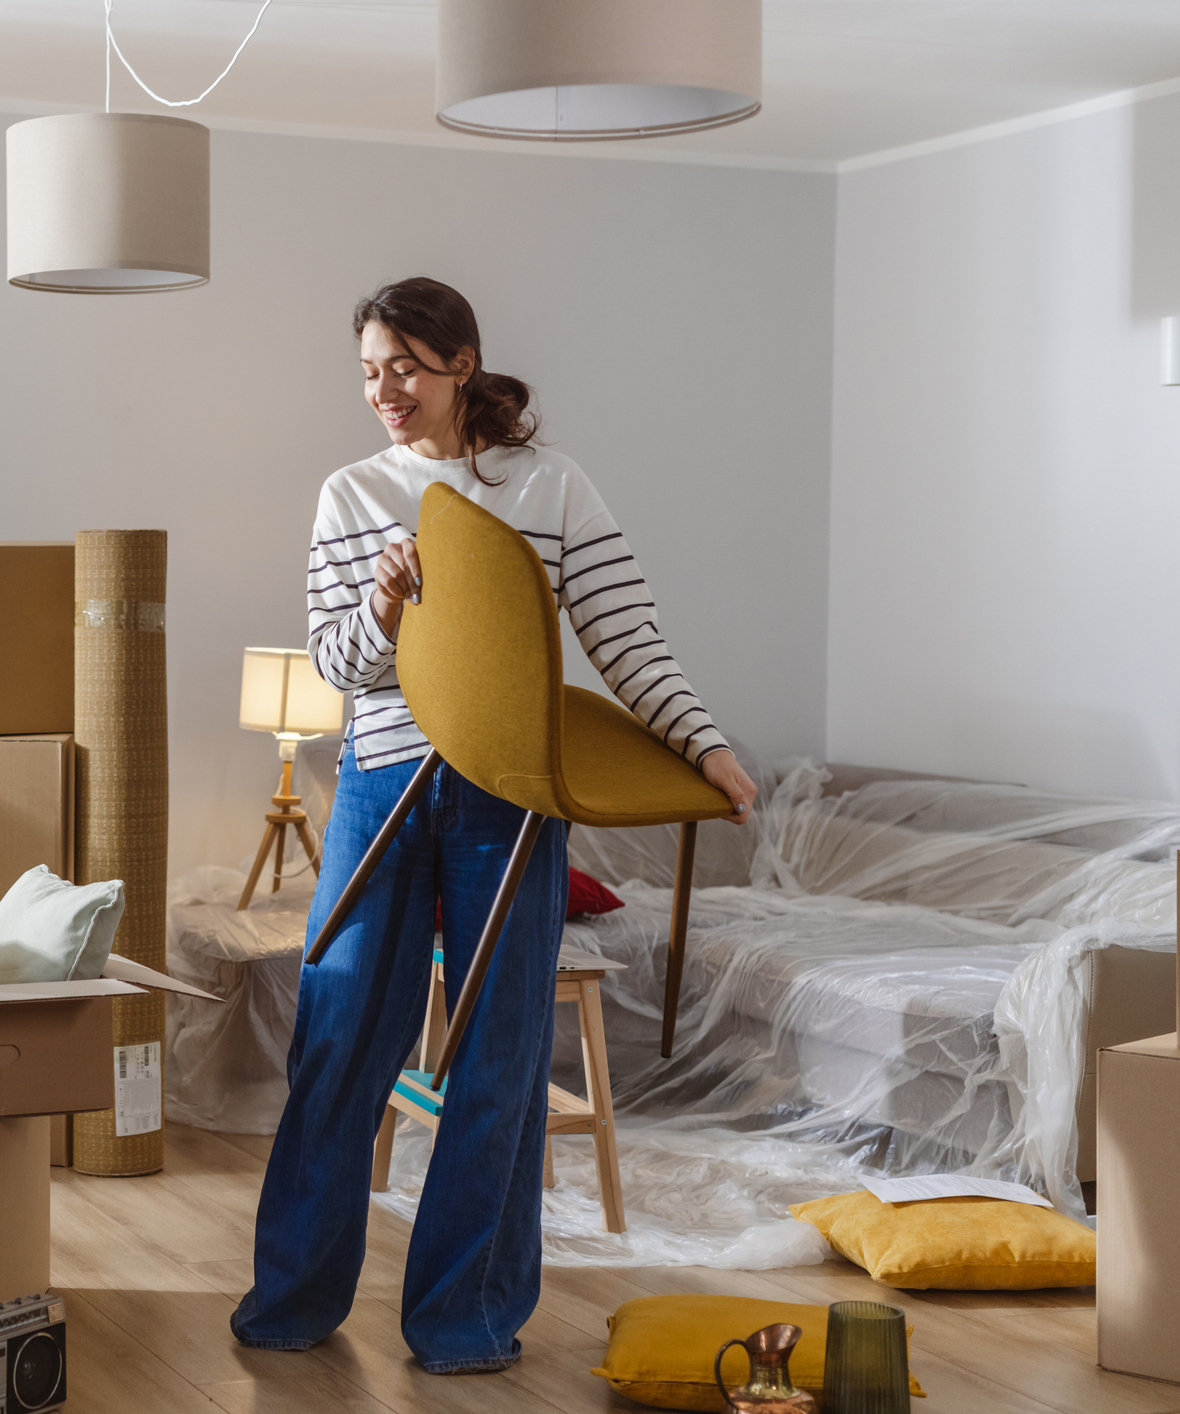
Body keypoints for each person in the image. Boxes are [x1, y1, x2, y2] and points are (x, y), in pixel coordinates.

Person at [229, 276, 757, 1374]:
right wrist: (382, 603)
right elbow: (336, 667)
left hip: (511, 800)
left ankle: (462, 1320)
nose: (385, 392)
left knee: (499, 1059)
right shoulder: (351, 492)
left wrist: (705, 747)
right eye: (369, 372)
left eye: (405, 368)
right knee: (340, 1037)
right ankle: (290, 1298)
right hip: (382, 787)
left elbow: (626, 637)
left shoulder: (550, 485)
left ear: (461, 363)